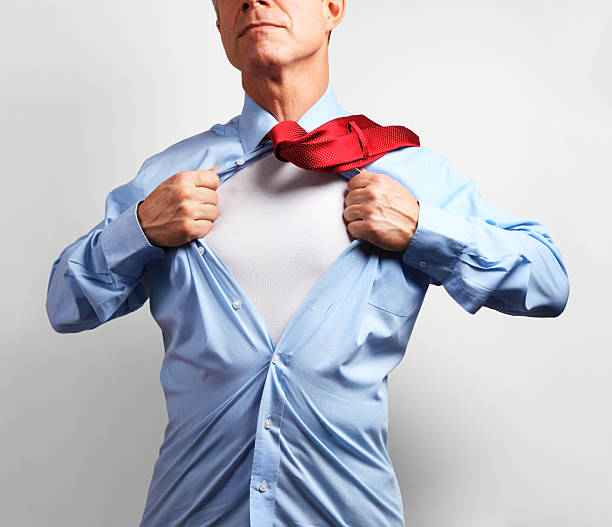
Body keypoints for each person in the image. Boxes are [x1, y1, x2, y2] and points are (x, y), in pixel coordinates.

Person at [45, 0, 570, 525]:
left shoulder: (403, 171)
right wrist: (138, 229)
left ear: (333, 8)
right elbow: (64, 305)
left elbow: (548, 281)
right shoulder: (170, 177)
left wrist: (422, 229)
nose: (255, 0)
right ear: (221, 23)